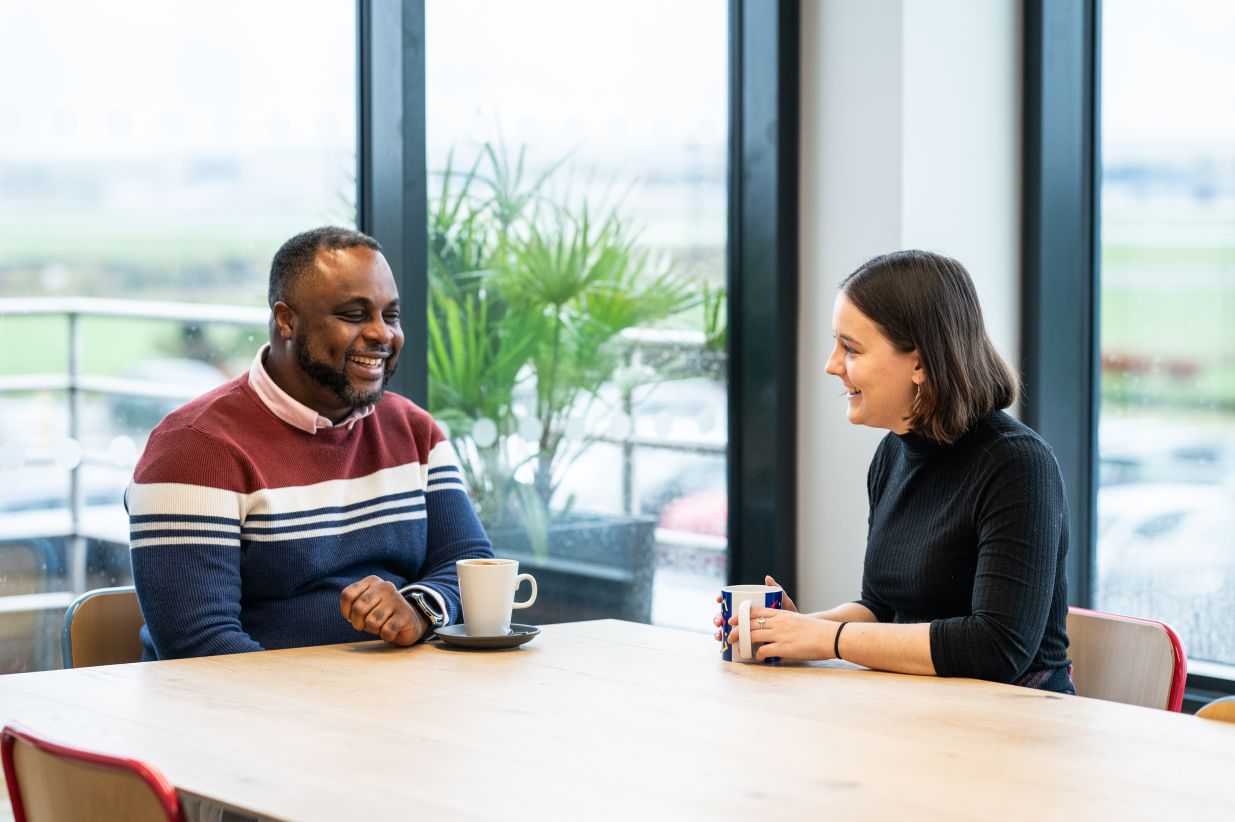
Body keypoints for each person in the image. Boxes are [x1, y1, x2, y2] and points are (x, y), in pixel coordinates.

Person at [127, 226, 493, 659]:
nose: (382, 334)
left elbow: (472, 567)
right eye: (354, 315)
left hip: (398, 692)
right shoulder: (193, 449)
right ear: (286, 320)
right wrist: (335, 696)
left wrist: (419, 609)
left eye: (391, 316)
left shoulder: (415, 431)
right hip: (249, 700)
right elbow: (200, 644)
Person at [716, 250, 1073, 693]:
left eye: (850, 348)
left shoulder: (1018, 464)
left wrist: (828, 639)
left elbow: (997, 647)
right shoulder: (893, 453)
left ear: (919, 363)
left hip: (1015, 718)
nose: (831, 365)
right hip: (918, 708)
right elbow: (883, 607)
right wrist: (792, 631)